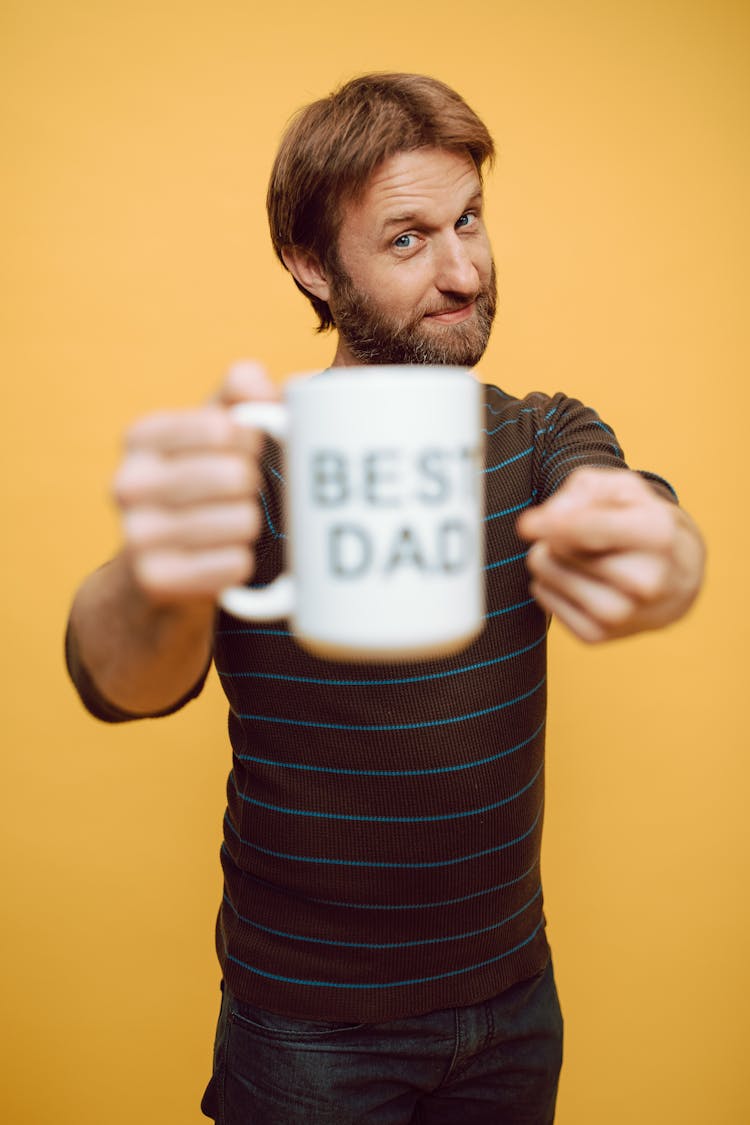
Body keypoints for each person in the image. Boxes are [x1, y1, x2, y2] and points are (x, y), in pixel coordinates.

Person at [65, 73, 705, 1124]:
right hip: (306, 1033)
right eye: (408, 239)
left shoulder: (540, 435)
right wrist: (151, 574)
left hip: (513, 1004)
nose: (463, 271)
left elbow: (627, 506)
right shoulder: (257, 463)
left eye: (469, 220)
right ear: (312, 267)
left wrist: (662, 552)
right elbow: (115, 679)